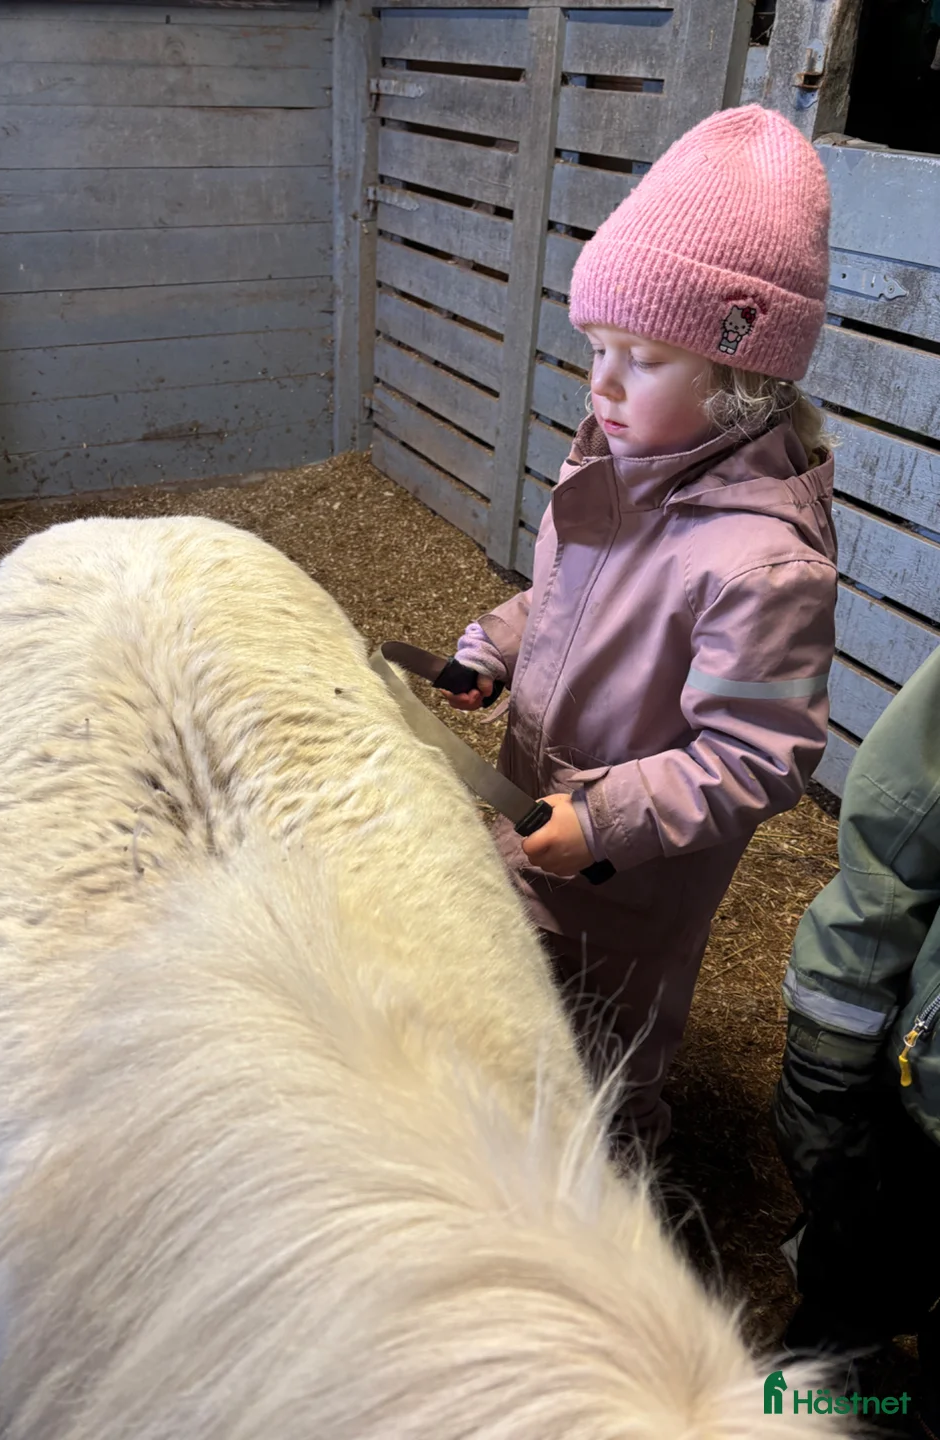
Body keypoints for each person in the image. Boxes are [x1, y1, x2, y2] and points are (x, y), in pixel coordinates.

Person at [446, 105, 838, 1148]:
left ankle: (626, 1188)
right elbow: (563, 599)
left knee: (605, 1052)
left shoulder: (760, 563)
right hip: (540, 814)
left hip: (633, 875)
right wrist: (492, 649)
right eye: (598, 347)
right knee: (519, 1009)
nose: (604, 382)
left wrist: (606, 819)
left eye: (646, 357)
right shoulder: (619, 471)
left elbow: (758, 755)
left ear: (741, 372)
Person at [773, 647, 940, 1439]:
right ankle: (811, 1385)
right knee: (862, 1259)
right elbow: (898, 832)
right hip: (923, 1109)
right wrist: (828, 1050)